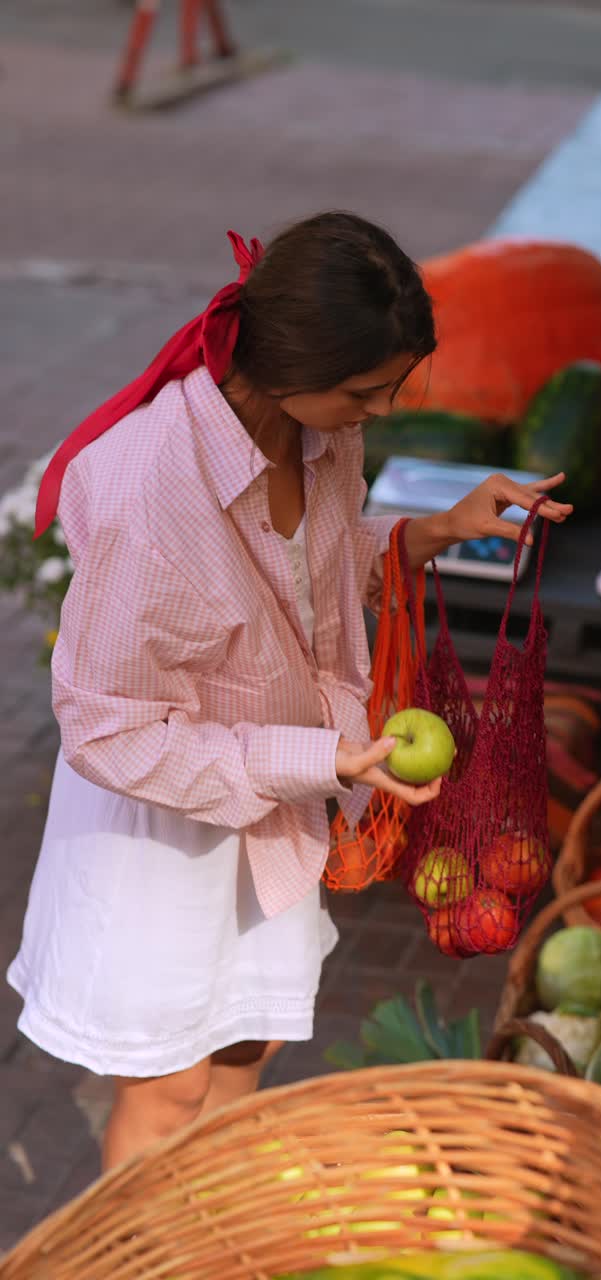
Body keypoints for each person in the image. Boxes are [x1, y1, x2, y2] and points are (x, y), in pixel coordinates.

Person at [7, 211, 572, 1172]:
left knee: (247, 1048)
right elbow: (108, 728)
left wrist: (439, 526)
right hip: (166, 825)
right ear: (288, 368)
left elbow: (316, 569)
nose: (382, 412)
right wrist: (321, 757)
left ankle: (213, 1240)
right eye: (365, 392)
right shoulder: (153, 497)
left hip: (273, 814)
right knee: (170, 1088)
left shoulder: (318, 439)